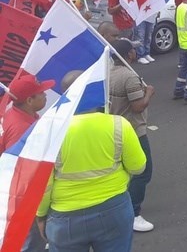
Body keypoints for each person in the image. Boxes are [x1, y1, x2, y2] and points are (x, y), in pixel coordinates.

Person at [36, 72, 147, 252]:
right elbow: (138, 167)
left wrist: (41, 216)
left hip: (66, 217)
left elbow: (44, 185)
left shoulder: (50, 132)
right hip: (114, 208)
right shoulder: (119, 124)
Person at [1, 75, 53, 252]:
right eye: (41, 93)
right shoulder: (20, 129)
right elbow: (19, 169)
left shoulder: (23, 114)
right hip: (23, 193)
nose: (46, 95)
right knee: (30, 239)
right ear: (29, 100)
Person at [108, 39, 156, 233]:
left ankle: (121, 208)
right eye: (133, 51)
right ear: (128, 54)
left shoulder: (109, 73)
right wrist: (149, 93)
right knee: (143, 171)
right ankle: (134, 214)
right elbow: (137, 106)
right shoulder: (128, 76)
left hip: (114, 128)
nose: (136, 53)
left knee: (124, 172)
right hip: (133, 130)